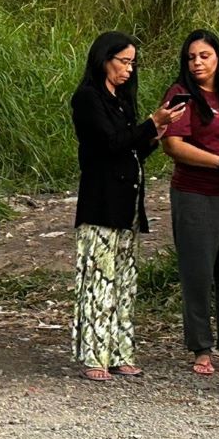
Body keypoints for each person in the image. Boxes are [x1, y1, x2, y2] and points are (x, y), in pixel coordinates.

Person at [70, 32, 184, 382]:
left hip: (128, 205)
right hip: (101, 203)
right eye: (124, 61)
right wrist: (151, 123)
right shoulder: (88, 98)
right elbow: (107, 144)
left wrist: (154, 135)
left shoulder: (122, 99)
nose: (129, 69)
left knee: (123, 281)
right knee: (98, 281)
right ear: (105, 59)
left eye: (133, 63)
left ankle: (120, 351)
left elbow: (130, 150)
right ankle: (94, 354)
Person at [161, 29, 219, 376]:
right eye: (191, 57)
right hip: (195, 193)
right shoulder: (181, 95)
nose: (197, 63)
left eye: (204, 56)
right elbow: (174, 145)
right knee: (197, 271)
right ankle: (200, 347)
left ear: (218, 58)